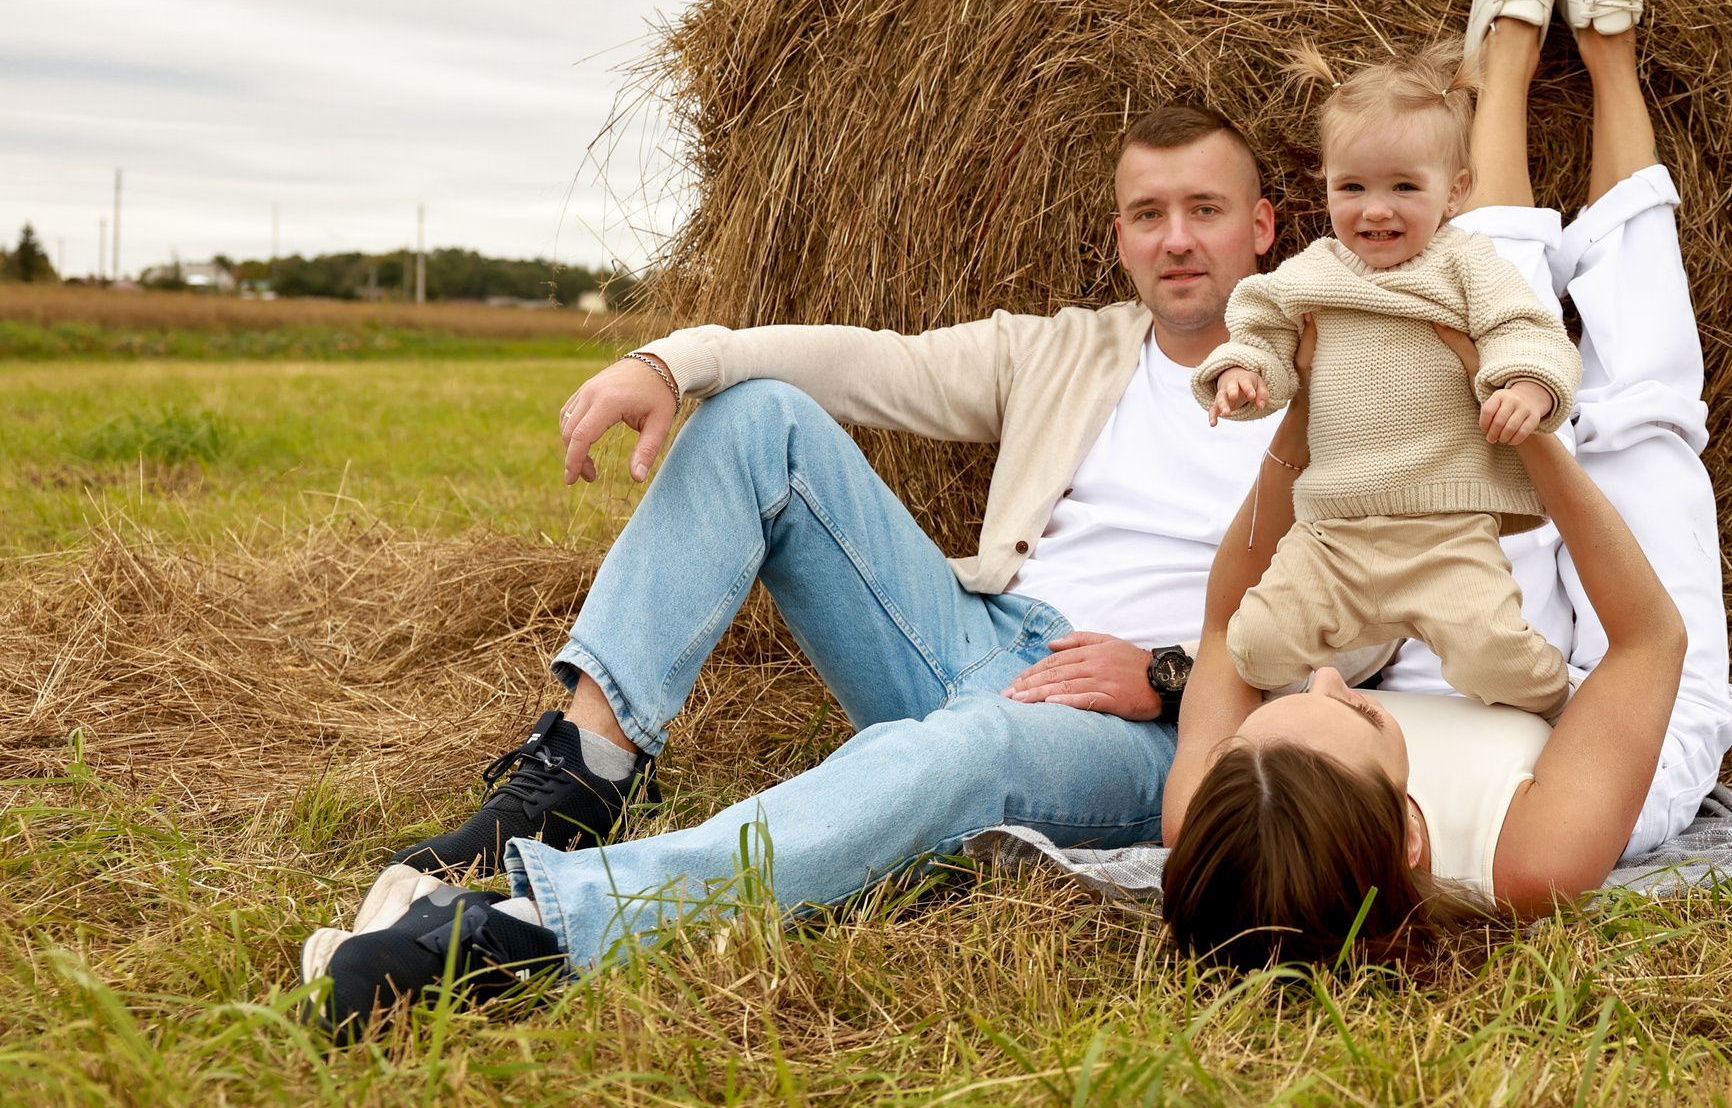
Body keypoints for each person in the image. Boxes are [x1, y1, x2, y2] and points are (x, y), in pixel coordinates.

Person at [303, 102, 1288, 1030]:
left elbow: (1363, 621)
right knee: (757, 414)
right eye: (1148, 214)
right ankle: (584, 769)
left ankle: (527, 932)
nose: (1175, 239)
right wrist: (669, 362)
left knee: (954, 754)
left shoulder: (1333, 390)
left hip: (1157, 721)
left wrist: (1166, 677)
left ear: (1263, 227)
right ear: (1119, 237)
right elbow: (868, 364)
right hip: (980, 639)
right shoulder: (1069, 352)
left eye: (1205, 210)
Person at [1159, 0, 1732, 961]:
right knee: (1645, 419)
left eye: (1268, 718)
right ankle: (1609, 55)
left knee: (1443, 345)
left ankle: (1506, 61)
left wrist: (1313, 405)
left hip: (1450, 641)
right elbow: (1647, 640)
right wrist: (1543, 456)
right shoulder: (1530, 865)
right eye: (1344, 708)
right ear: (1415, 835)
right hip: (1600, 717)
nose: (1322, 676)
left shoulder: (1215, 822)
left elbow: (1222, 628)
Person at [1194, 43, 1583, 717]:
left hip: (1446, 533)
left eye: (1404, 187)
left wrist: (1528, 388)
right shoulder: (1317, 269)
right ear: (1327, 188)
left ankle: (1571, 692)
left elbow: (1530, 330)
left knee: (1504, 662)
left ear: (1455, 190)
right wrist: (1241, 371)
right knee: (1251, 644)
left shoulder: (1466, 265)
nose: (1375, 210)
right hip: (1332, 535)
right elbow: (1262, 325)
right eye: (1353, 188)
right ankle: (1344, 675)